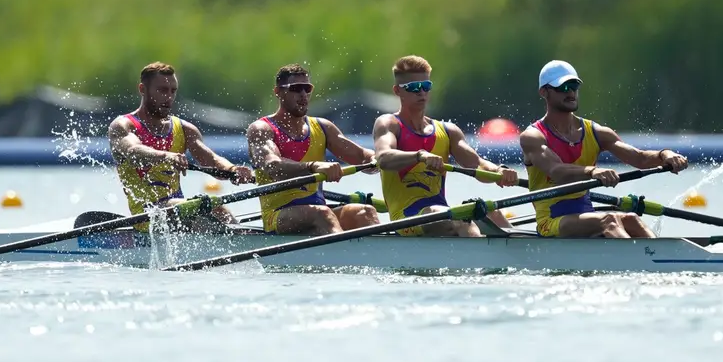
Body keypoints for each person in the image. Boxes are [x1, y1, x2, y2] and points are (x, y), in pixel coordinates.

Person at [519, 59, 689, 238]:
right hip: (551, 222)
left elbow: (640, 159)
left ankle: (656, 257)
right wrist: (593, 171)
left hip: (586, 216)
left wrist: (665, 154)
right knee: (608, 220)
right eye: (562, 87)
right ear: (544, 92)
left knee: (631, 218)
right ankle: (639, 260)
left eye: (574, 86)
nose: (570, 92)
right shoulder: (533, 137)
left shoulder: (596, 132)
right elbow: (557, 171)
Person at [373, 55, 519, 237]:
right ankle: (482, 255)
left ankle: (522, 255)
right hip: (407, 219)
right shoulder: (388, 123)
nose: (421, 92)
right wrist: (420, 156)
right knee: (451, 217)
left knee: (492, 213)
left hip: (440, 213)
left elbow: (477, 164)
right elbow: (384, 158)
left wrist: (499, 171)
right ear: (397, 91)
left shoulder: (447, 130)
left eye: (426, 87)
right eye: (413, 88)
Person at [108, 62, 254, 231]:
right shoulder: (123, 125)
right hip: (147, 215)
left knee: (219, 210)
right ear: (142, 89)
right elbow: (133, 151)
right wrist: (166, 156)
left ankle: (246, 248)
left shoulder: (184, 129)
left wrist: (232, 169)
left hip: (179, 210)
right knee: (203, 208)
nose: (169, 97)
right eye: (162, 90)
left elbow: (211, 159)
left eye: (173, 91)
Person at [246, 63, 379, 235]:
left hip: (317, 212)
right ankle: (345, 260)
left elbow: (361, 155)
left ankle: (380, 260)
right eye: (296, 89)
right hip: (278, 216)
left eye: (307, 89)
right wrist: (313, 166)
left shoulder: (322, 127)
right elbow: (273, 166)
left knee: (364, 212)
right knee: (322, 213)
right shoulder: (261, 129)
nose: (303, 95)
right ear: (278, 92)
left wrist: (376, 159)